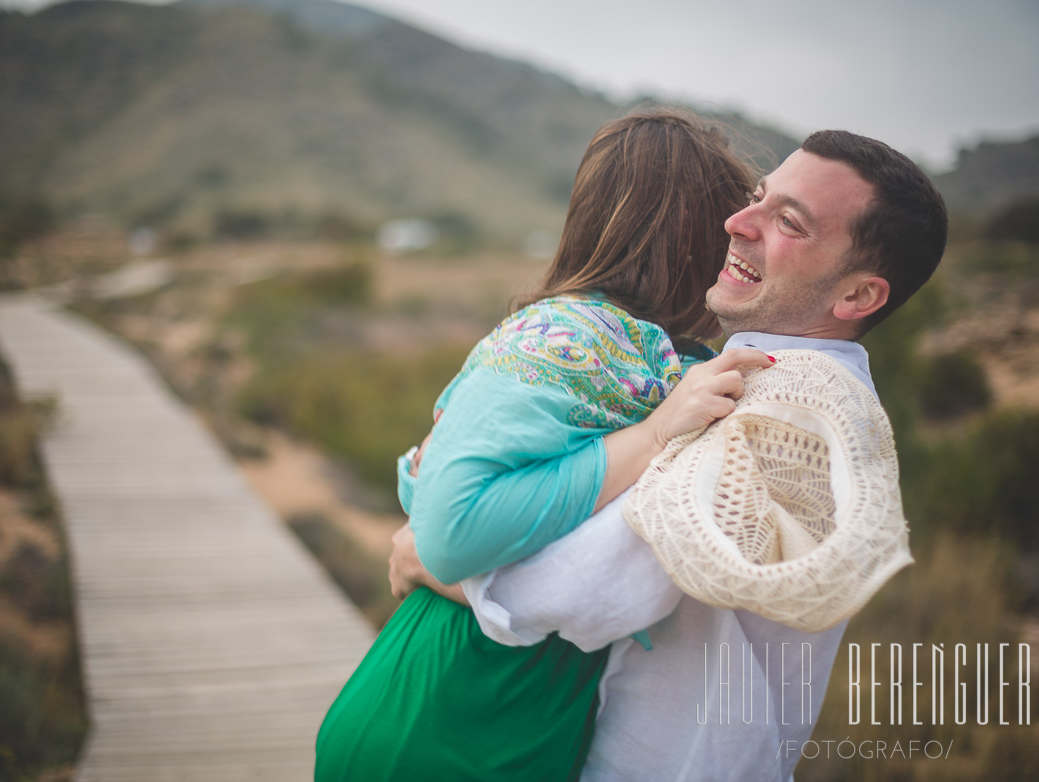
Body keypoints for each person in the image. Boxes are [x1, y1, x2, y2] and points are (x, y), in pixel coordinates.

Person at [392, 129, 949, 780]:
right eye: (756, 199)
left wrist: (428, 554)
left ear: (856, 296)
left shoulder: (788, 412)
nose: (737, 224)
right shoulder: (755, 379)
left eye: (787, 222)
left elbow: (586, 586)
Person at [314, 108, 773, 780]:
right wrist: (649, 436)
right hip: (452, 724)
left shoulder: (670, 363)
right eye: (731, 229)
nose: (742, 249)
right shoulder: (573, 338)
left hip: (508, 717)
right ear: (681, 235)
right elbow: (452, 523)